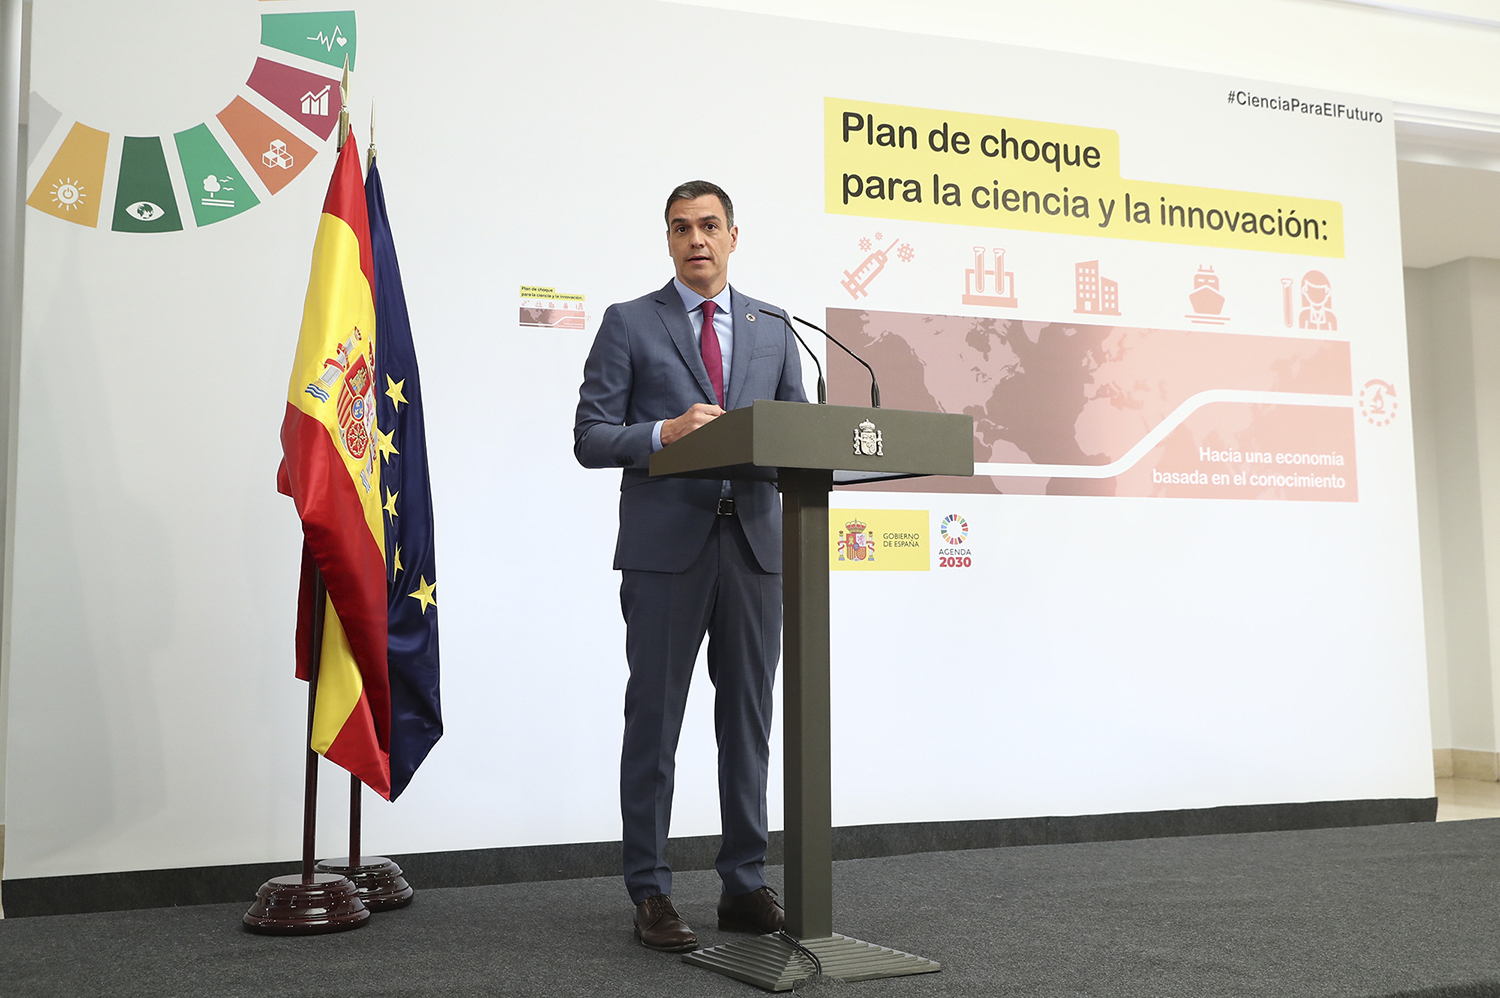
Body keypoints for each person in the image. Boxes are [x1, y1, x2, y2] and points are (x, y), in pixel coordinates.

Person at [573, 180, 807, 951]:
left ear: (735, 236)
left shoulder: (774, 327)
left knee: (749, 723)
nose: (696, 240)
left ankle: (744, 884)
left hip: (754, 551)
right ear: (668, 240)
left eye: (709, 226)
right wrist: (665, 432)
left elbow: (800, 436)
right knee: (656, 723)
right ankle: (651, 889)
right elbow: (591, 435)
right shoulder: (629, 323)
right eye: (681, 228)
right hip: (665, 554)